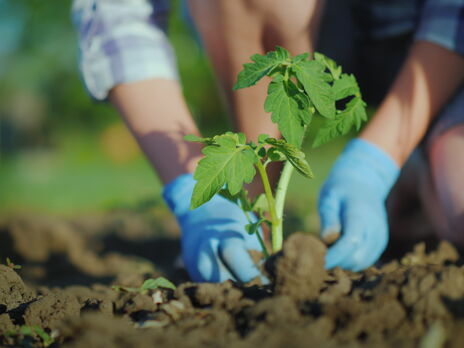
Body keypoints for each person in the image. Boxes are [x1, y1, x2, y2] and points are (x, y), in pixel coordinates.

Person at [72, 0, 464, 282]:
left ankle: (410, 163)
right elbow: (115, 16)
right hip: (302, 24)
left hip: (437, 57)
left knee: (459, 208)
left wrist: (373, 163)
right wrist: (191, 191)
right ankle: (258, 230)